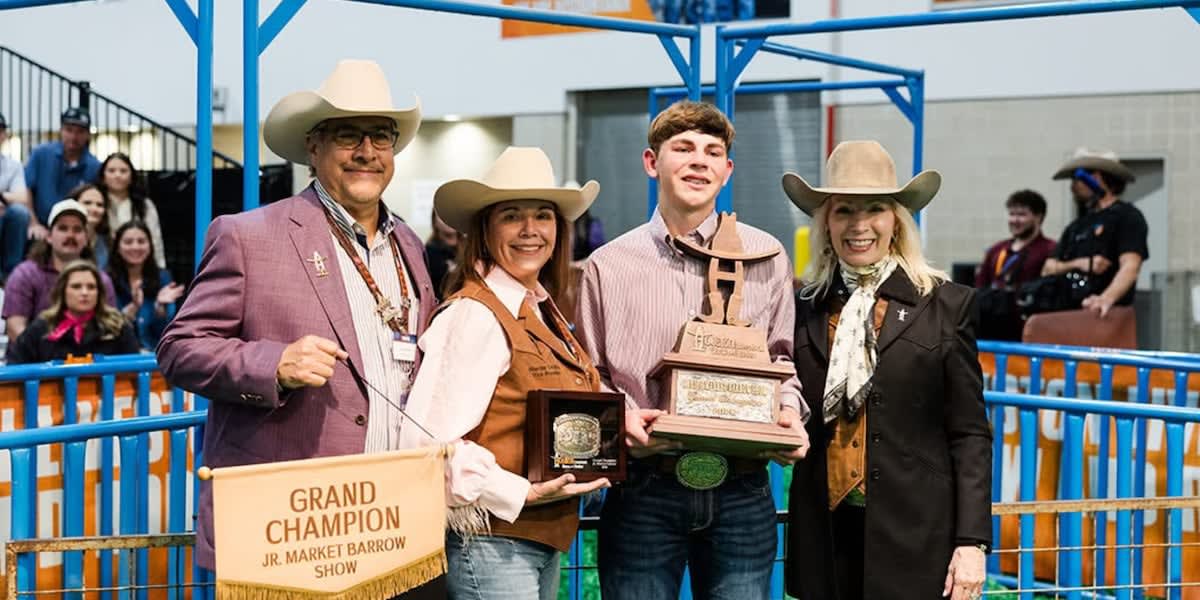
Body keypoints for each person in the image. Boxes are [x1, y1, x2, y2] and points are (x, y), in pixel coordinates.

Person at [155, 60, 438, 594]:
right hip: (294, 530)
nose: (366, 152)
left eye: (380, 136)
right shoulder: (248, 235)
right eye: (348, 136)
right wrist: (272, 366)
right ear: (314, 147)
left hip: (396, 521)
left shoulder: (410, 247)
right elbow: (178, 348)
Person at [575, 100, 808, 599]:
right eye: (682, 148)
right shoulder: (606, 266)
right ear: (651, 162)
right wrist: (619, 424)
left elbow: (781, 360)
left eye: (712, 151)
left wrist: (788, 412)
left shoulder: (766, 256)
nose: (698, 160)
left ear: (727, 171)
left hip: (743, 488)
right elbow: (589, 375)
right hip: (643, 487)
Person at [780, 140, 992, 600]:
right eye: (843, 211)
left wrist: (971, 541)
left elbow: (970, 433)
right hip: (825, 538)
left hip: (917, 539)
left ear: (896, 220)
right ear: (826, 223)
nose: (859, 226)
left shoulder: (946, 304)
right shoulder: (802, 307)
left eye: (874, 209)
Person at [400, 146, 608, 599]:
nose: (531, 231)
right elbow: (427, 443)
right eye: (512, 216)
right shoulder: (475, 315)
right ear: (485, 229)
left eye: (543, 216)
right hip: (494, 543)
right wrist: (518, 493)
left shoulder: (536, 308)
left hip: (533, 540)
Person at [1040, 149, 1147, 318]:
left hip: (1104, 316)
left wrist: (1105, 299)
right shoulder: (1077, 225)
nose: (1073, 186)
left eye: (1077, 179)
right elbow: (1048, 268)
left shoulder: (1127, 216)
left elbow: (1130, 266)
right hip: (1070, 314)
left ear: (1096, 178)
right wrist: (1078, 263)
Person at [3, 199, 117, 340]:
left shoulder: (101, 280)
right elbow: (15, 329)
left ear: (86, 239)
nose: (70, 235)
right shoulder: (24, 275)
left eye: (77, 229)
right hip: (35, 359)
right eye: (63, 228)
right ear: (49, 236)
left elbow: (110, 327)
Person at [6, 260, 139, 364]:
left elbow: (135, 370)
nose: (85, 293)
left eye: (91, 287)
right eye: (76, 287)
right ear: (63, 291)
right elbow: (16, 365)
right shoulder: (41, 328)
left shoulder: (118, 327)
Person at [974, 190, 1056, 340]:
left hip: (1027, 332)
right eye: (1012, 214)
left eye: (1022, 214)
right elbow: (980, 287)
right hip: (992, 329)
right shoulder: (996, 250)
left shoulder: (1050, 249)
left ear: (1038, 217)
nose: (1015, 220)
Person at [23, 108, 101, 240]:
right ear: (61, 130)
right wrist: (33, 223)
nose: (73, 136)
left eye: (80, 132)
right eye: (69, 130)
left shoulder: (94, 166)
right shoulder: (41, 154)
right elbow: (27, 189)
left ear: (88, 134)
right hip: (40, 227)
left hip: (75, 230)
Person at [107, 221, 184, 350]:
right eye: (128, 242)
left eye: (141, 241)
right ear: (117, 247)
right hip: (119, 359)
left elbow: (167, 333)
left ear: (150, 246)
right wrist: (132, 309)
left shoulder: (163, 277)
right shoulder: (106, 280)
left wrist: (160, 308)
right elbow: (107, 329)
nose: (135, 247)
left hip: (154, 358)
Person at [97, 152, 166, 269]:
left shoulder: (144, 205)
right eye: (111, 171)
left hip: (138, 266)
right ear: (103, 177)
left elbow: (155, 240)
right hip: (102, 266)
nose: (117, 175)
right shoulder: (95, 202)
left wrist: (160, 268)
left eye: (123, 171)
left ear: (131, 177)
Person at [0, 111, 33, 278]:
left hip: (4, 215)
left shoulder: (13, 165)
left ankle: (11, 275)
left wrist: (2, 200)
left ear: (4, 135)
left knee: (20, 212)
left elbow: (22, 197)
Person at [69, 183, 111, 268]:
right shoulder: (60, 239)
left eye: (100, 205)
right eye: (87, 203)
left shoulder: (109, 243)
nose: (94, 209)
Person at [425, 208, 458, 296]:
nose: (448, 220)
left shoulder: (470, 249)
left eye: (452, 216)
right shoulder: (429, 252)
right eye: (442, 216)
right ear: (434, 221)